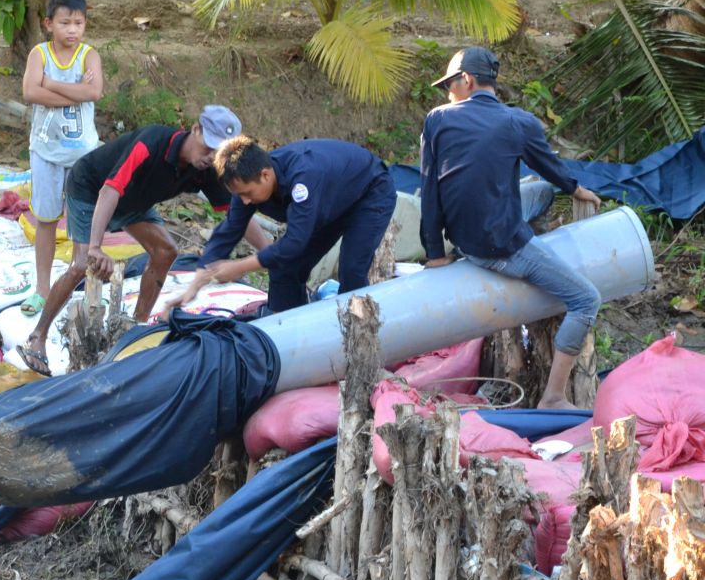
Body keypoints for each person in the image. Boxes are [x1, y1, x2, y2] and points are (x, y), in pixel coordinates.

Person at [18, 106, 271, 375]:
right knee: (82, 264)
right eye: (208, 147)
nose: (210, 157)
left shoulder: (208, 170)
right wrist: (95, 246)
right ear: (195, 130)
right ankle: (38, 337)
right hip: (92, 189)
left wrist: (271, 253)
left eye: (218, 152)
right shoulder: (151, 143)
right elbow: (109, 190)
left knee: (166, 251)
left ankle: (134, 331)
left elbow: (237, 214)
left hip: (134, 201)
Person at [420, 46, 603, 409]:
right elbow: (552, 166)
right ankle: (552, 397)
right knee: (586, 300)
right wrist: (578, 189)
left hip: (464, 237)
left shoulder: (436, 119)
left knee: (540, 191)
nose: (447, 93)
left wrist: (435, 253)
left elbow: (429, 189)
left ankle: (531, 229)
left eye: (449, 85)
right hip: (500, 248)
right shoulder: (518, 122)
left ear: (466, 80)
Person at [181, 135, 396, 315]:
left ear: (265, 175)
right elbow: (230, 230)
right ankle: (288, 332)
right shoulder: (245, 185)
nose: (245, 201)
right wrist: (200, 277)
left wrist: (239, 267)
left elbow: (295, 243)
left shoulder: (303, 178)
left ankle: (358, 339)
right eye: (239, 195)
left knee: (351, 271)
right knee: (286, 268)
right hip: (327, 201)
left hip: (369, 193)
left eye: (247, 194)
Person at [22, 0, 102, 305]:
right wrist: (76, 90)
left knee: (84, 221)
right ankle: (43, 289)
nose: (72, 30)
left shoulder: (89, 55)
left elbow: (94, 92)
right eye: (65, 22)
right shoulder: (39, 54)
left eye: (78, 23)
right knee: (46, 219)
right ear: (48, 23)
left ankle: (79, 282)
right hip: (45, 152)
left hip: (84, 155)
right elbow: (30, 92)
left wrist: (51, 84)